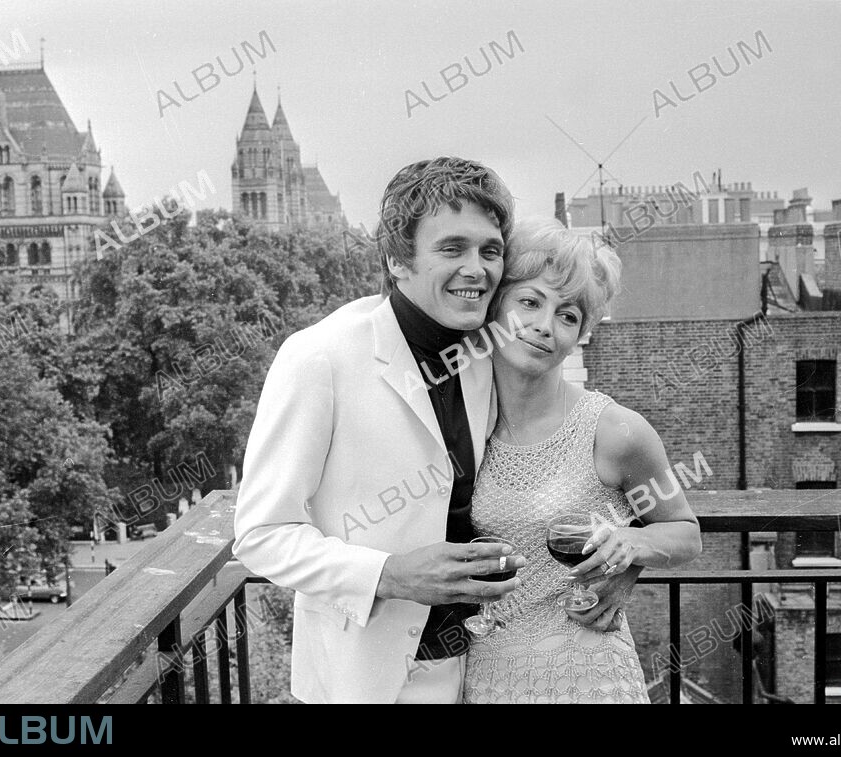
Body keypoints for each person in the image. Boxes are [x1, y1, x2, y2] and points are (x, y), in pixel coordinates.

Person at [232, 157, 529, 704]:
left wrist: (621, 559)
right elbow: (261, 535)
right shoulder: (318, 357)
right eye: (452, 248)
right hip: (365, 679)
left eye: (490, 250)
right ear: (396, 259)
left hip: (487, 668)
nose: (478, 268)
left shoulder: (490, 355)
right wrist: (389, 575)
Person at [462, 218, 702, 704]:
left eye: (568, 315)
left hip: (589, 676)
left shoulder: (613, 429)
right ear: (496, 305)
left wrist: (629, 549)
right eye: (529, 302)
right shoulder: (461, 422)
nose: (544, 326)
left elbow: (685, 532)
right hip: (488, 676)